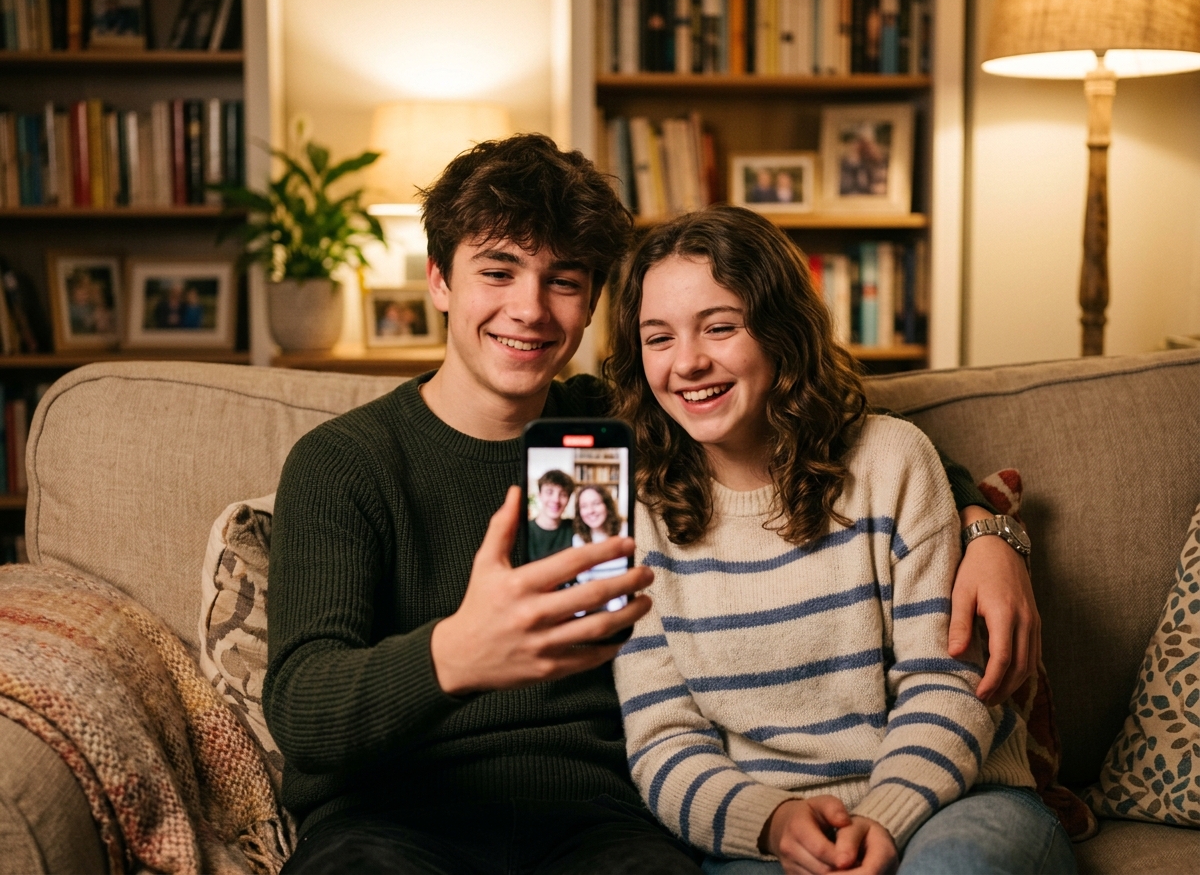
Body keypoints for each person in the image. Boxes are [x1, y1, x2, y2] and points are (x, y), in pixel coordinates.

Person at [263, 133, 1041, 874]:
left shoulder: (626, 425)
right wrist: (455, 654)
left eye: (563, 280)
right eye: (497, 272)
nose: (530, 309)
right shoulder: (345, 464)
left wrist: (989, 531)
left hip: (597, 820)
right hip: (394, 820)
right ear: (439, 278)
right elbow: (301, 709)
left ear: (593, 300)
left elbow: (834, 437)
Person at [606, 207, 1075, 875]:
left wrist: (880, 819)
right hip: (771, 832)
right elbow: (663, 741)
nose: (688, 362)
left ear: (780, 331)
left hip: (956, 800)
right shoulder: (638, 513)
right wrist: (770, 824)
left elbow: (946, 682)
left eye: (720, 326)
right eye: (658, 338)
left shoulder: (893, 461)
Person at [571, 483, 629, 588]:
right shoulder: (578, 540)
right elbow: (585, 584)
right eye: (584, 506)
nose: (590, 511)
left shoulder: (625, 531)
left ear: (607, 505)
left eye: (596, 503)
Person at [529, 468, 577, 561]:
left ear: (568, 500)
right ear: (540, 495)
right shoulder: (525, 530)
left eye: (563, 494)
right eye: (549, 492)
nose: (556, 500)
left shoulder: (575, 528)